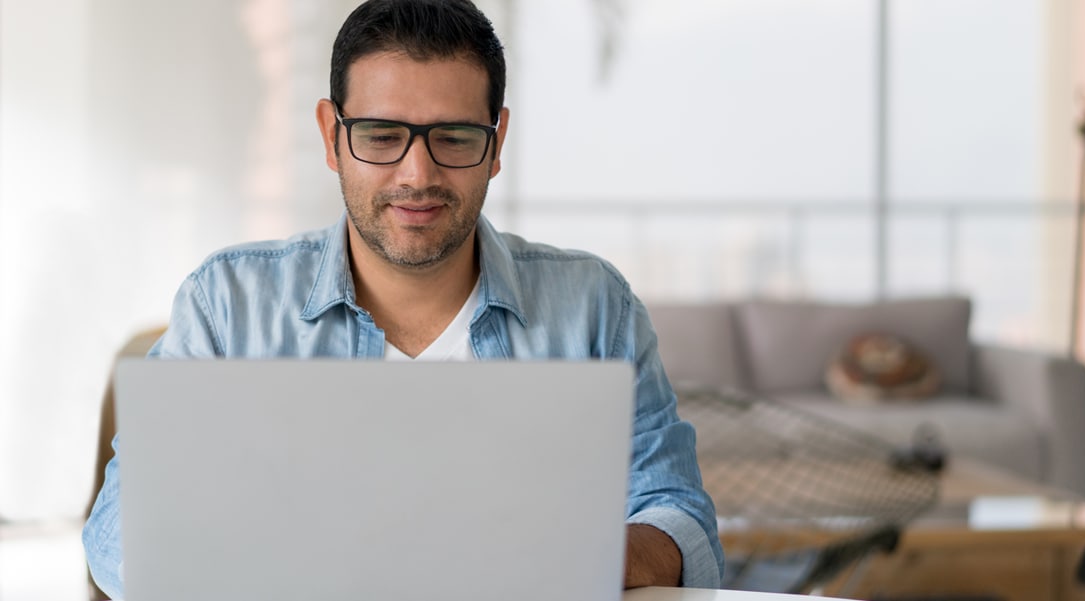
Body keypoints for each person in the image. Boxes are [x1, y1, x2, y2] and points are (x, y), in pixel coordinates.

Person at [82, 0, 723, 596]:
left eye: (454, 137)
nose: (418, 175)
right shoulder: (228, 305)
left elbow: (680, 517)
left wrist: (580, 554)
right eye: (383, 136)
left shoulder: (594, 306)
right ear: (331, 134)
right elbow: (117, 538)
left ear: (496, 141)